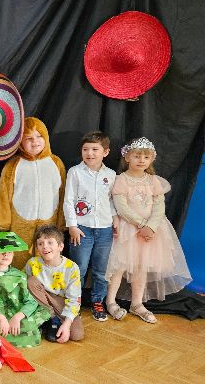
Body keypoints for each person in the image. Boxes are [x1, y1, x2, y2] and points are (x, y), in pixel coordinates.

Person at [105, 137, 191, 323]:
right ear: (127, 157)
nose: (141, 160)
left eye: (146, 157)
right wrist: (141, 224)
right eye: (137, 156)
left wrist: (151, 226)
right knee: (119, 267)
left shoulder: (153, 181)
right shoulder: (121, 180)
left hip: (152, 231)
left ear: (152, 159)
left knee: (141, 267)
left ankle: (137, 303)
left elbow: (159, 206)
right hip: (129, 230)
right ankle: (110, 301)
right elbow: (121, 207)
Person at [0, 117, 66, 268]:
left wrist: (62, 221)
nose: (35, 141)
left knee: (47, 262)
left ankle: (44, 283)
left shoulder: (56, 163)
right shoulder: (13, 165)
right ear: (20, 142)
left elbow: (63, 193)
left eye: (39, 136)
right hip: (19, 225)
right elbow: (3, 195)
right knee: (18, 260)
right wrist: (2, 223)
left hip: (49, 224)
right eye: (28, 138)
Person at [63, 131, 119, 321]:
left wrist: (114, 219)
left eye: (95, 149)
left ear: (106, 152)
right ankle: (74, 303)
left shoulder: (111, 175)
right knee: (79, 268)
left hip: (104, 229)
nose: (90, 153)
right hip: (82, 229)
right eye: (86, 149)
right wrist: (72, 225)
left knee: (101, 271)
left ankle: (97, 301)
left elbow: (110, 200)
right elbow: (69, 200)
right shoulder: (75, 172)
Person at [0, 239, 50, 348]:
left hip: (15, 313)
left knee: (37, 316)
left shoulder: (19, 276)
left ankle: (15, 333)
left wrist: (18, 317)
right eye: (1, 251)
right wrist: (0, 317)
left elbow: (31, 301)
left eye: (10, 251)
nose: (6, 254)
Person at [25, 225, 84, 343]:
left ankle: (52, 320)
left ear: (61, 246)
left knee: (77, 335)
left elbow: (74, 298)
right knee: (30, 281)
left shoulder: (72, 268)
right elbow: (24, 287)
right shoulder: (32, 263)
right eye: (40, 243)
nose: (45, 246)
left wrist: (67, 324)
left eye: (50, 242)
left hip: (61, 301)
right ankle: (51, 318)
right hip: (40, 300)